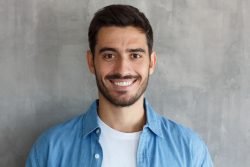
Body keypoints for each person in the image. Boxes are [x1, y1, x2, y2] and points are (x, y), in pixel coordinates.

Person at [26, 4, 213, 167]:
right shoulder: (50, 149)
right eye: (109, 55)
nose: (122, 69)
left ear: (152, 63)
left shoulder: (189, 150)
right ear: (91, 62)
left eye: (135, 55)